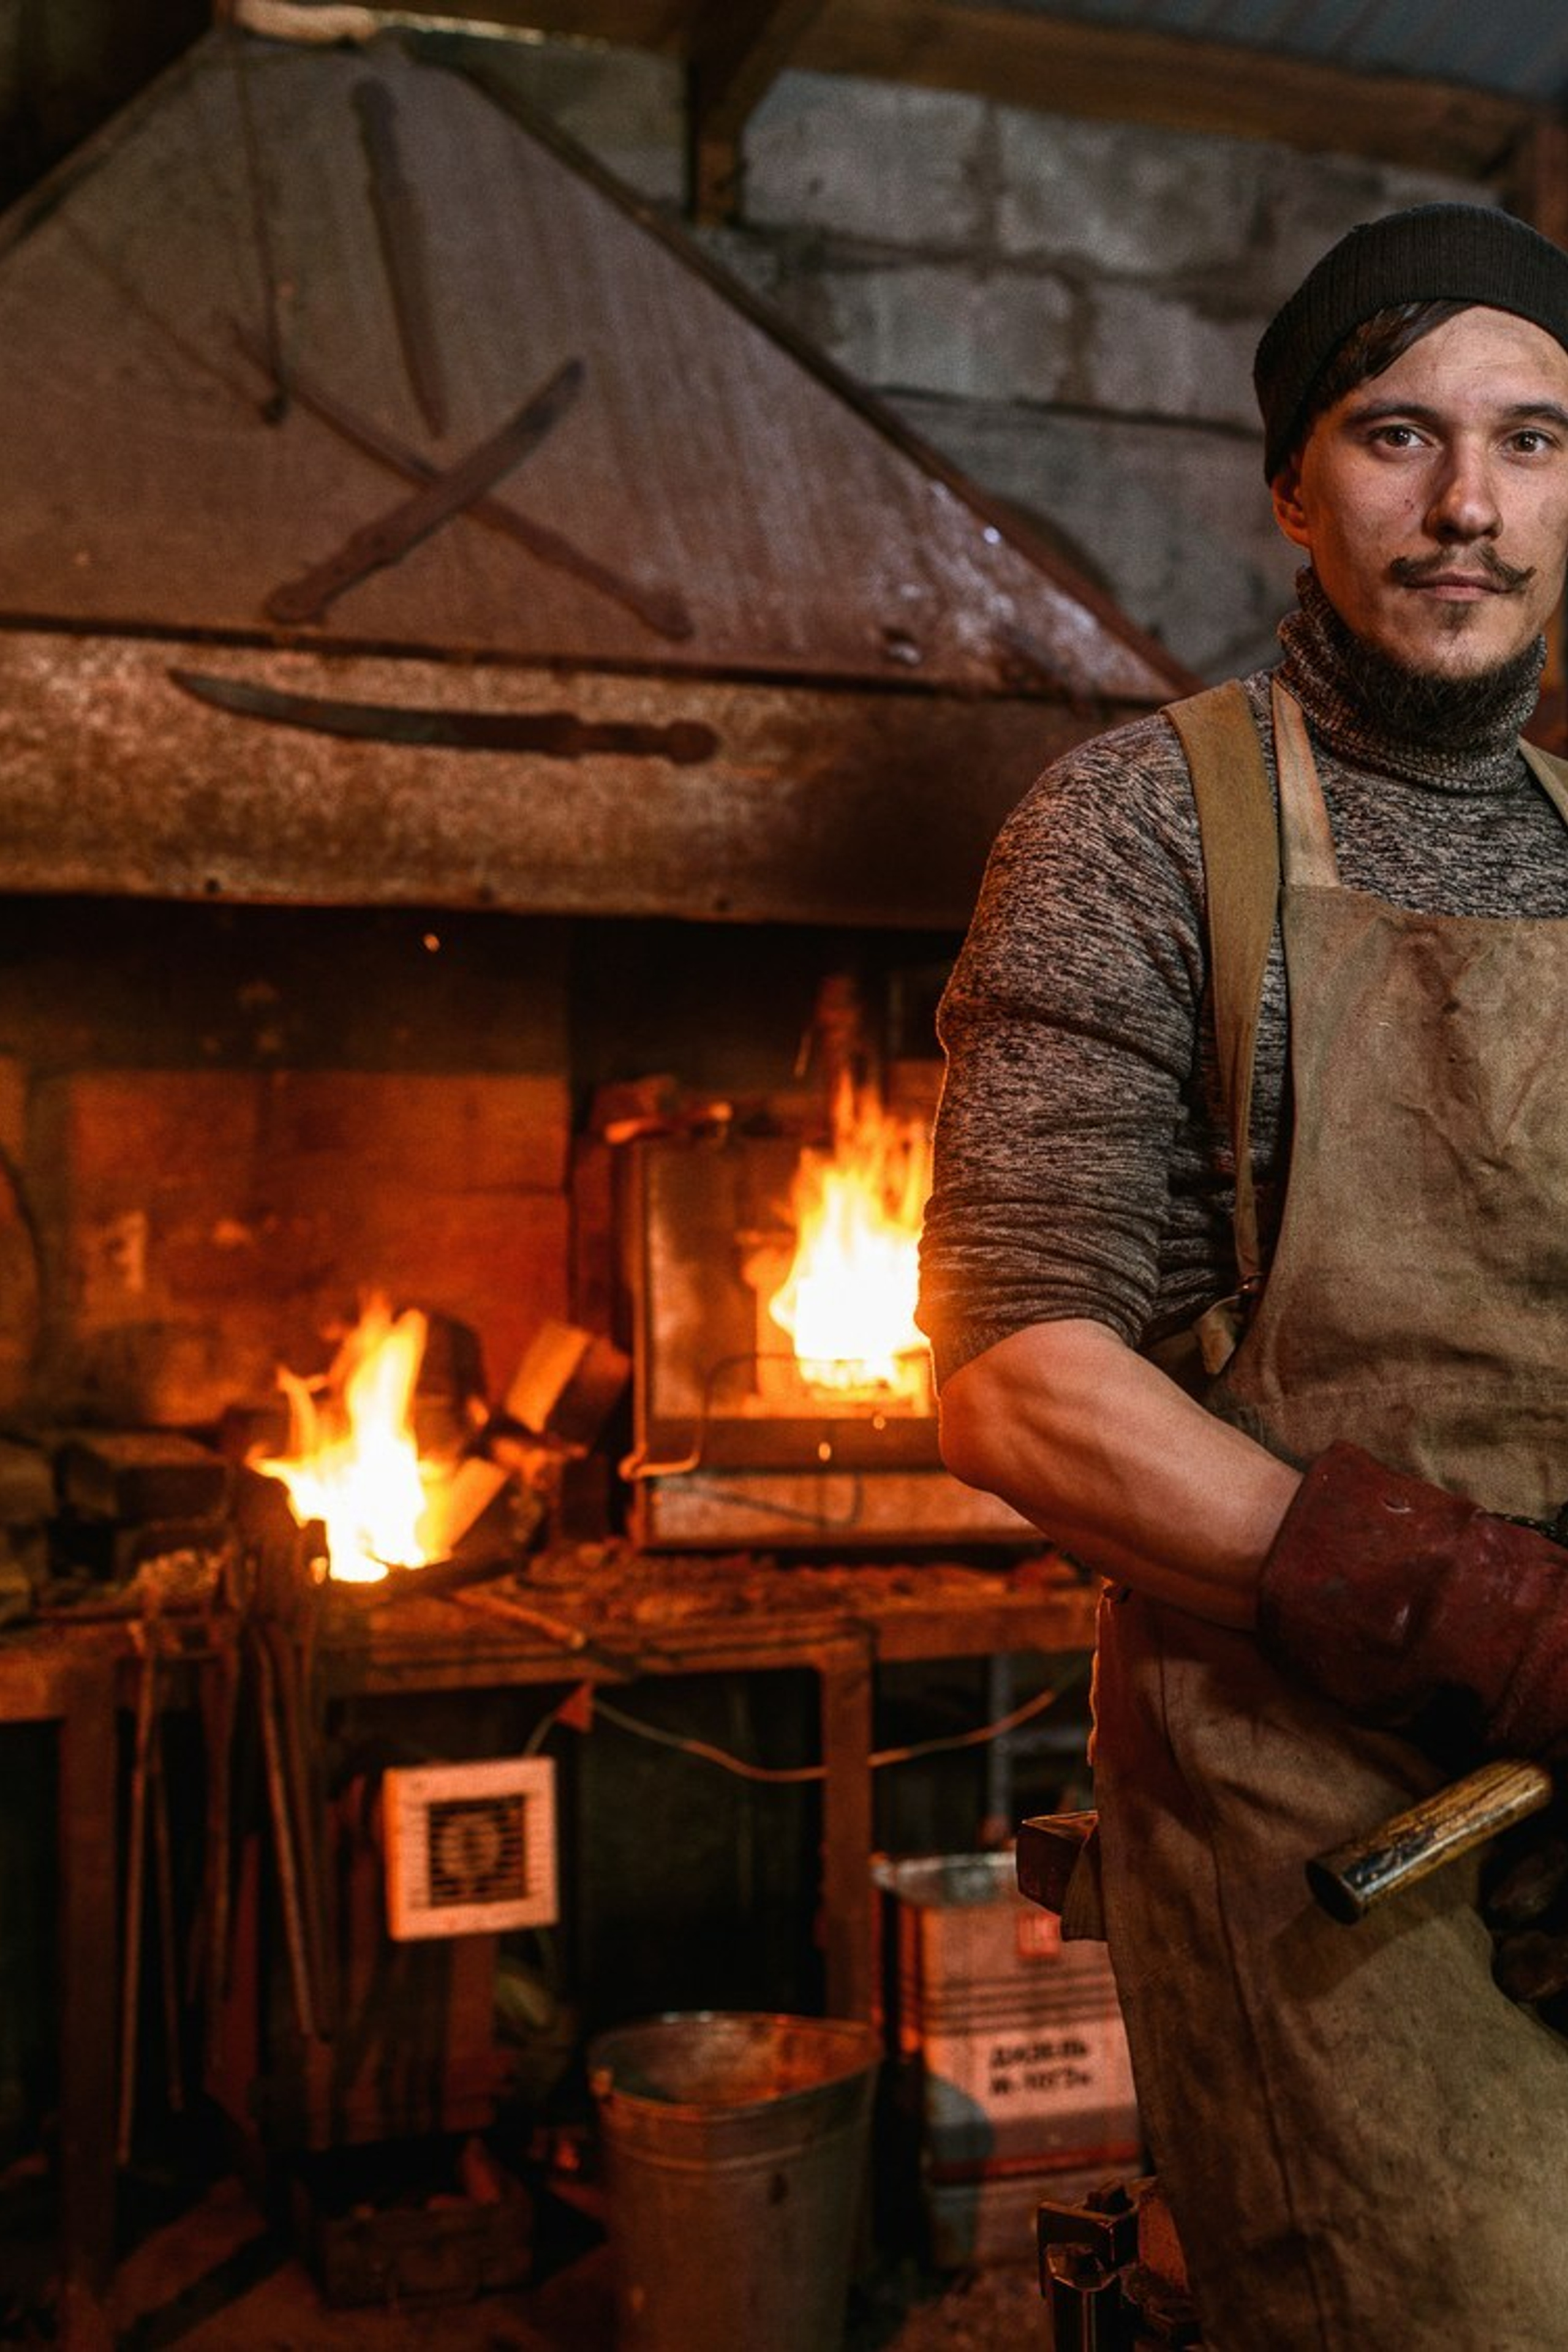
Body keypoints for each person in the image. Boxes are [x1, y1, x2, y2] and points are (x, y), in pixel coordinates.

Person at [916, 202, 1568, 2349]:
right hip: (1308, 1807)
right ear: (1292, 483)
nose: (1470, 506)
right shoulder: (1136, 830)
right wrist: (1495, 1616)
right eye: (1399, 435)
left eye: (1534, 440)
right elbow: (1016, 1380)